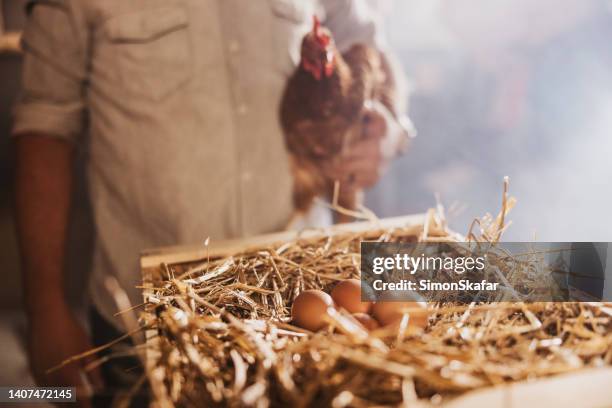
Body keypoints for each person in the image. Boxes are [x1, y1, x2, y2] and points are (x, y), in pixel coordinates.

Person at [12, 0, 407, 406]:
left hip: (300, 305)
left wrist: (389, 126)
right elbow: (45, 125)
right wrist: (44, 307)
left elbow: (366, 44)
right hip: (149, 323)